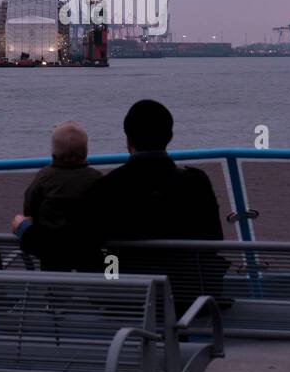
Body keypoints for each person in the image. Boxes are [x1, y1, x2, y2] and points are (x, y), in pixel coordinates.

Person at [12, 100, 225, 300]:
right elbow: (213, 242)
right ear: (169, 136)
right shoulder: (196, 184)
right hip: (190, 299)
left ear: (128, 140)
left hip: (127, 299)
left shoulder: (108, 188)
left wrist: (25, 230)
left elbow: (72, 246)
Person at [17, 121, 103, 271]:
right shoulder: (96, 178)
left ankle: (53, 292)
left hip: (51, 250)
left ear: (53, 152)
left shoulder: (44, 177)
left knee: (18, 221)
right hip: (86, 250)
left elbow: (29, 209)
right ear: (86, 151)